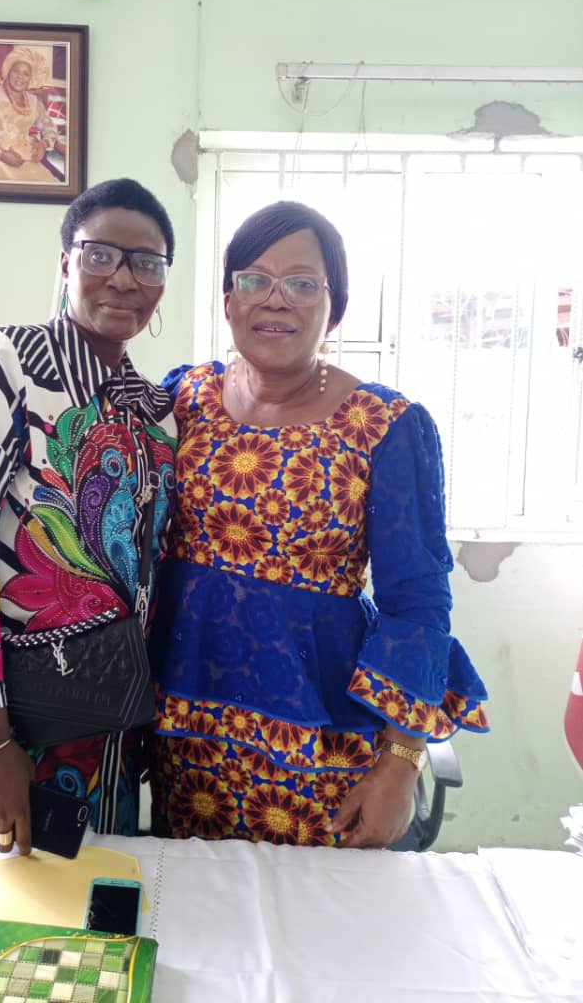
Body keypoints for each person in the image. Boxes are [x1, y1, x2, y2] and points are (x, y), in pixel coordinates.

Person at [148, 200, 489, 849]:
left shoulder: (383, 427)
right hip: (188, 738)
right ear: (228, 302)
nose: (275, 300)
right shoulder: (184, 398)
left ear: (334, 310)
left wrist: (399, 763)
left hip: (320, 748)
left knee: (324, 936)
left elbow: (416, 604)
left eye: (303, 284)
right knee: (196, 926)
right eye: (253, 280)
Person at [0, 177, 177, 853]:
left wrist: (146, 722)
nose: (123, 278)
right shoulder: (2, 365)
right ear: (64, 263)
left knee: (90, 912)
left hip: (112, 731)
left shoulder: (155, 411)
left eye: (146, 263)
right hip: (12, 720)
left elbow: (149, 578)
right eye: (100, 255)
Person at [0, 46, 61, 183]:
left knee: (47, 185)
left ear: (31, 77)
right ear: (8, 72)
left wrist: (43, 145)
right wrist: (1, 154)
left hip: (26, 156)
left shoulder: (34, 101)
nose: (20, 77)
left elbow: (50, 129)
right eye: (16, 71)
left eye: (26, 73)